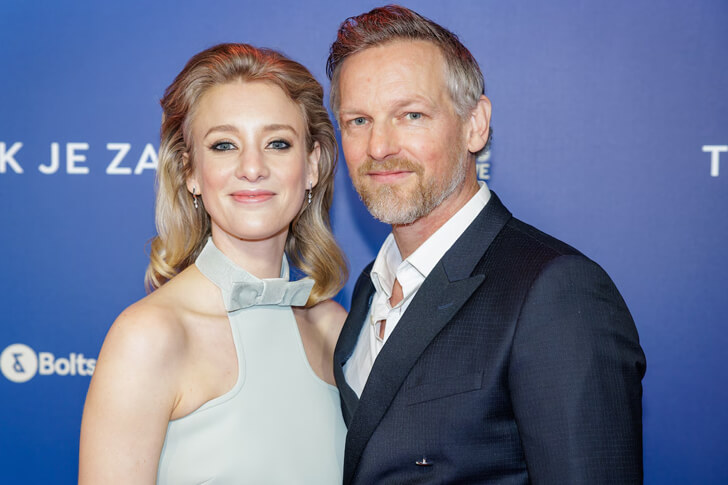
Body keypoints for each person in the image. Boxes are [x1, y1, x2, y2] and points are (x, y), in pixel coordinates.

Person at [326, 5, 646, 484]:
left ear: (475, 124)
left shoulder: (555, 292)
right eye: (358, 120)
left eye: (411, 115)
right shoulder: (369, 289)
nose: (379, 146)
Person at [79, 43, 348, 484]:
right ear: (190, 171)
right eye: (224, 145)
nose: (252, 168)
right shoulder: (150, 337)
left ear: (312, 165)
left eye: (278, 143)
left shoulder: (335, 329)